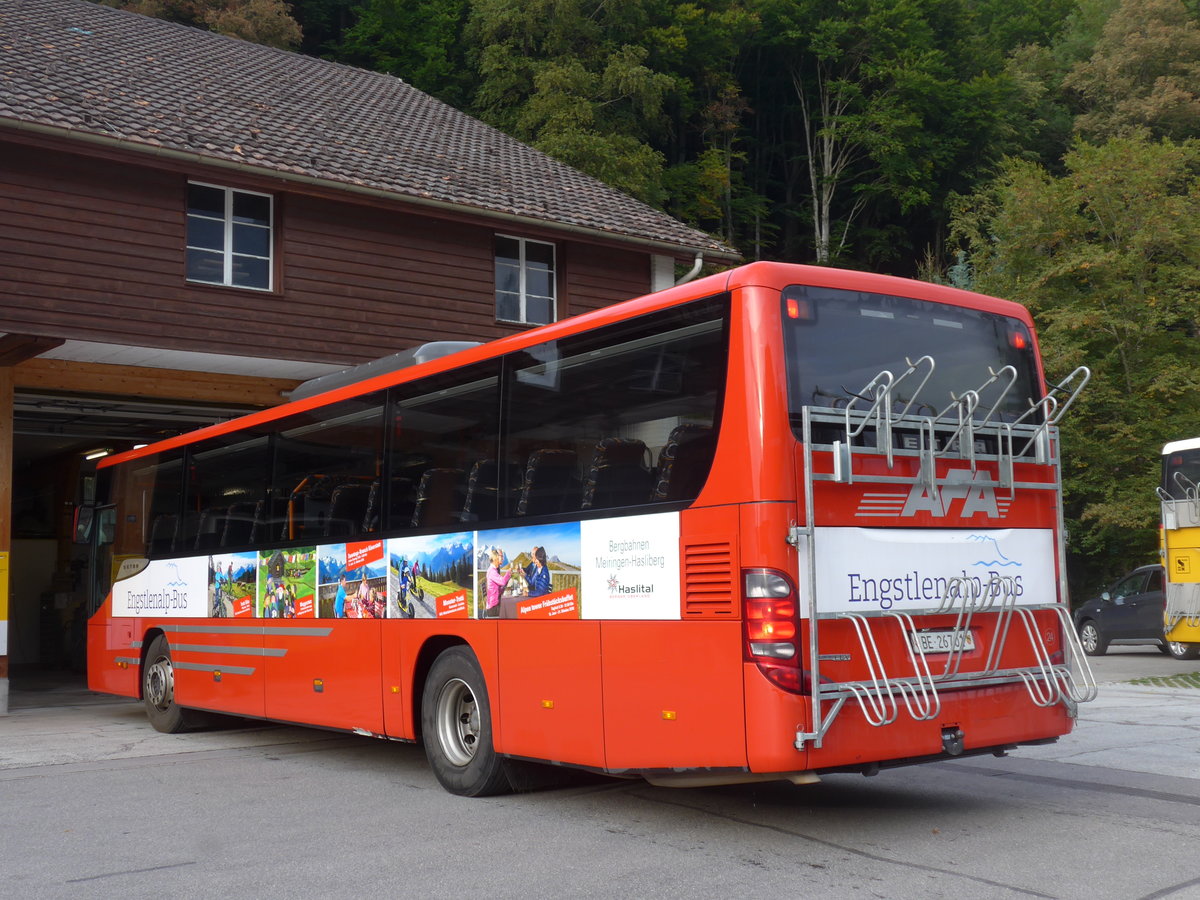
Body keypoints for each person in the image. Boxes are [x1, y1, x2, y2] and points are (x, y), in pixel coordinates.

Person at [484, 548, 511, 618]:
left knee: (508, 607)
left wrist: (505, 585)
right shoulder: (492, 571)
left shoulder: (494, 570)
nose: (502, 559)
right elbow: (502, 582)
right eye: (500, 556)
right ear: (496, 558)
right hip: (493, 608)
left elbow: (499, 588)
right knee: (509, 610)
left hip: (495, 604)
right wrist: (508, 573)